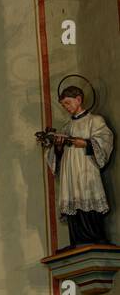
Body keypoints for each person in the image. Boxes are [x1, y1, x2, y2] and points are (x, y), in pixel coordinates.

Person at [43, 85, 114, 248]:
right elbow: (57, 154)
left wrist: (87, 143)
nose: (66, 107)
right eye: (64, 105)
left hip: (86, 167)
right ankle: (77, 240)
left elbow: (105, 139)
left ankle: (95, 236)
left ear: (79, 99)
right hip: (70, 171)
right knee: (72, 197)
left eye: (68, 103)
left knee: (87, 194)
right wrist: (59, 147)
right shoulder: (66, 127)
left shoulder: (94, 120)